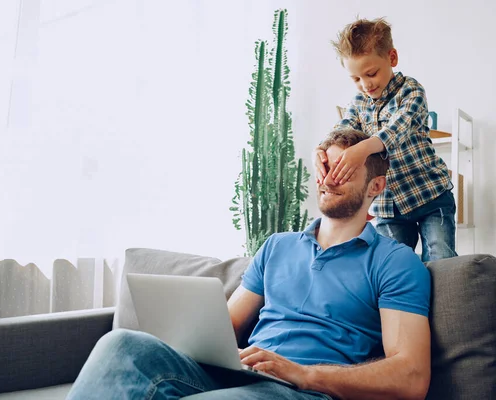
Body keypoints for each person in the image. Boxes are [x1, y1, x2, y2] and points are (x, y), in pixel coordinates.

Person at [67, 129, 432, 400]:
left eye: (343, 169)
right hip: (239, 374)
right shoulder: (277, 246)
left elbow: (412, 376)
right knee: (120, 345)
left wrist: (304, 374)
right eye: (325, 166)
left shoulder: (394, 262)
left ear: (376, 186)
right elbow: (224, 326)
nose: (328, 178)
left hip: (300, 391)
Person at [314, 17, 457, 262]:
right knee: (391, 265)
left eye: (371, 74)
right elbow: (342, 130)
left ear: (391, 58)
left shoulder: (411, 91)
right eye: (356, 79)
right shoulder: (357, 104)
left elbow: (398, 129)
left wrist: (364, 148)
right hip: (388, 208)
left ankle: (446, 301)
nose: (365, 84)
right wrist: (321, 150)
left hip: (430, 195)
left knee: (440, 258)